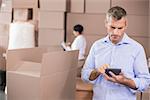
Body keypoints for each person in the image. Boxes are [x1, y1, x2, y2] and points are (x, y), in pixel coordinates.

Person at [81, 6, 150, 100]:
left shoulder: (136, 49)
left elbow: (145, 82)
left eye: (120, 28)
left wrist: (124, 81)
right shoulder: (97, 46)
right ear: (106, 23)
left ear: (126, 25)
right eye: (112, 27)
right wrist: (97, 71)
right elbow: (84, 75)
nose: (116, 32)